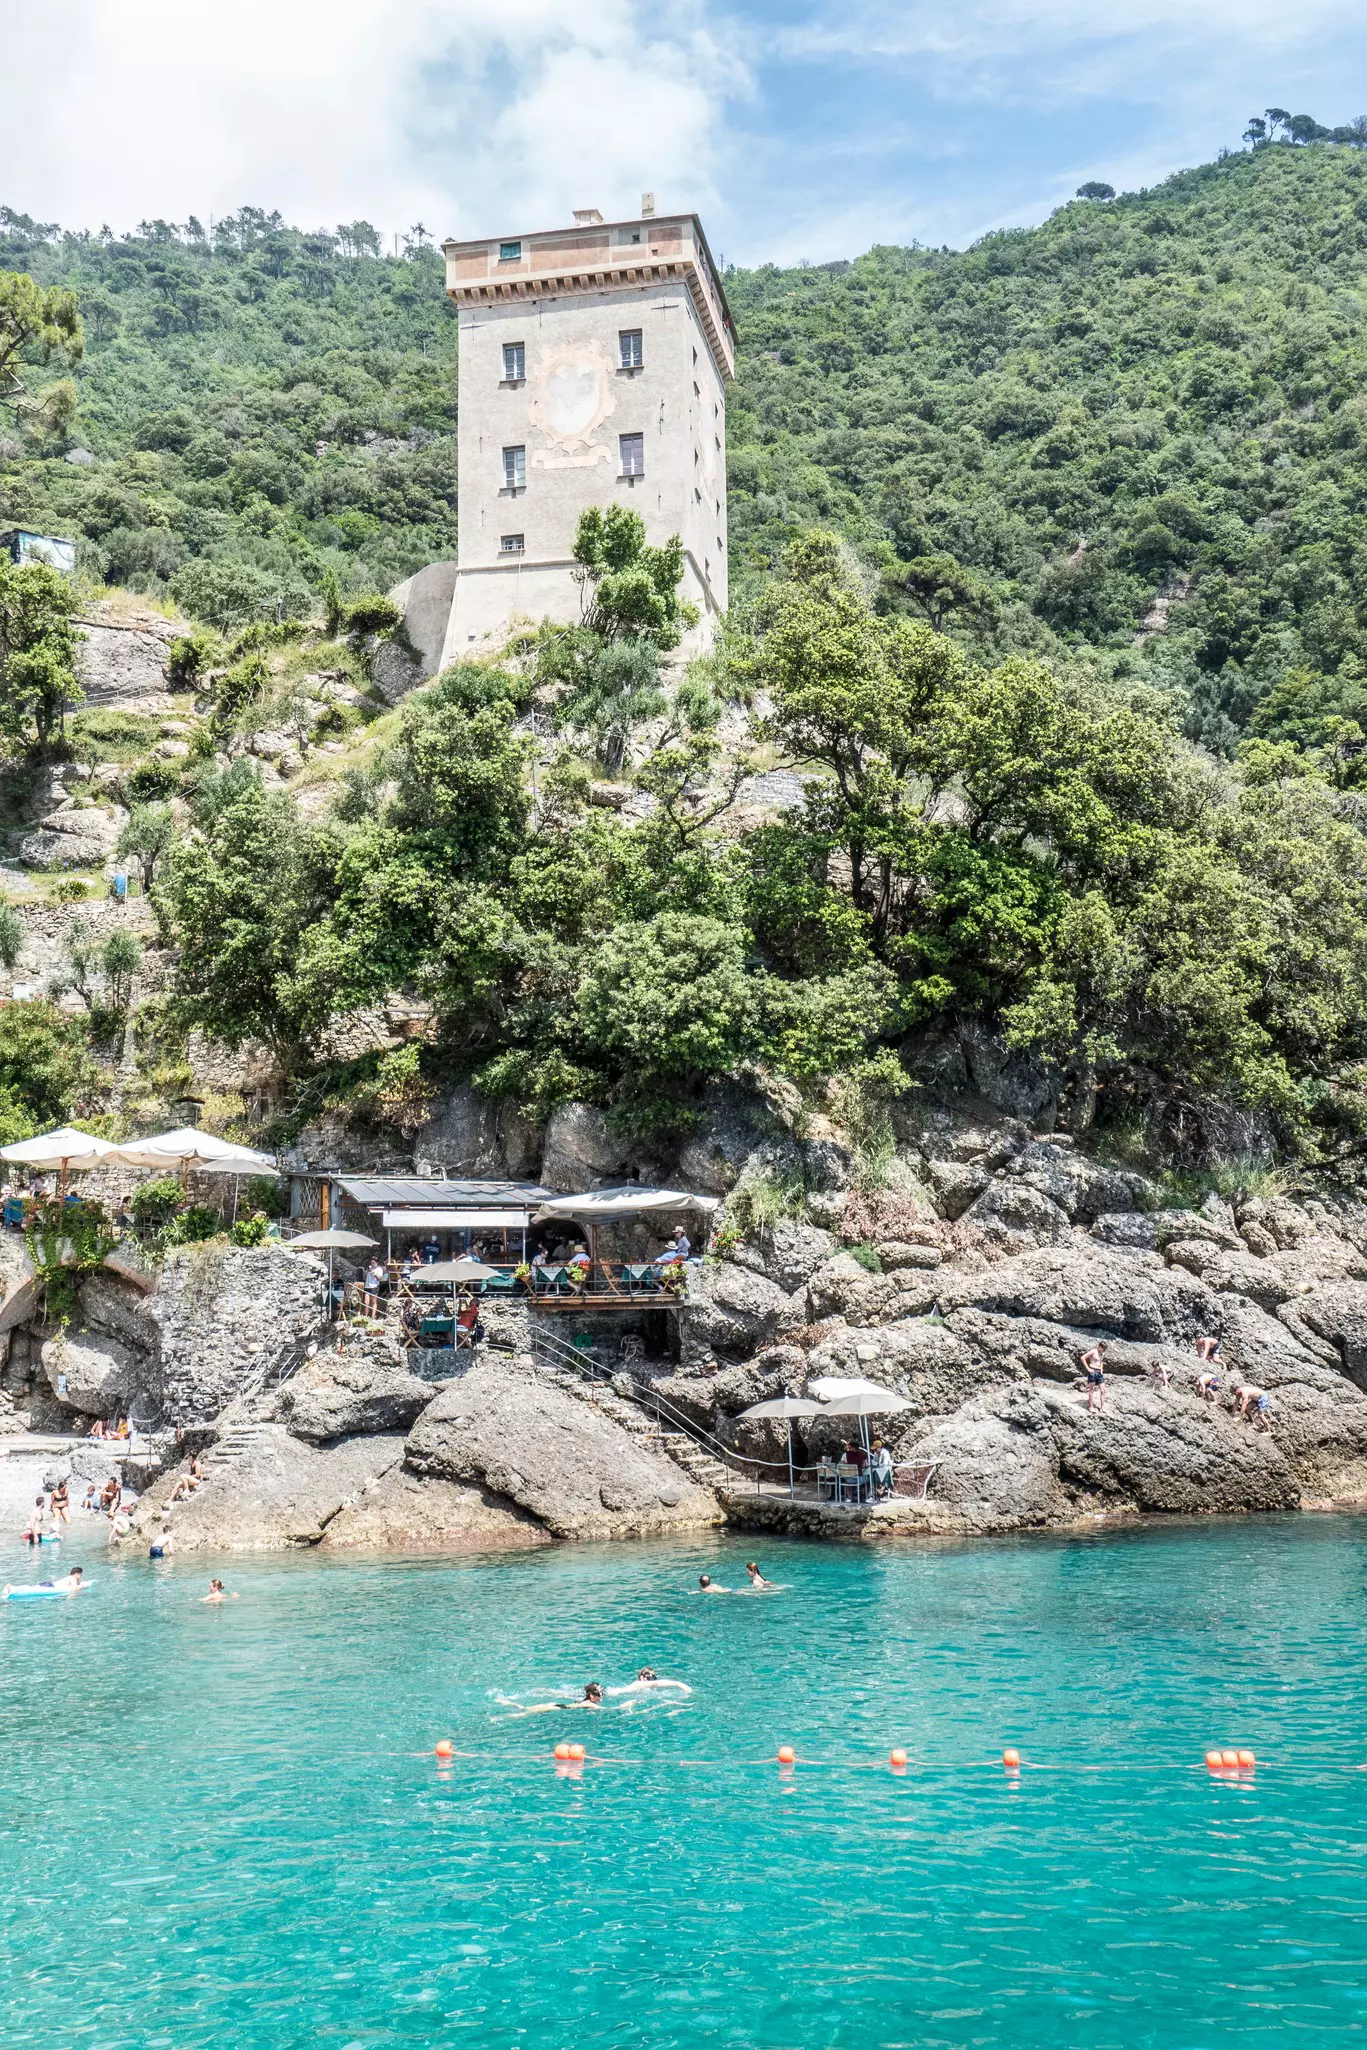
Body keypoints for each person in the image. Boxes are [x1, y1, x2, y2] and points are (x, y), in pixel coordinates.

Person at [1080, 1341, 1108, 1412]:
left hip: (1099, 1373)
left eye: (1105, 1349)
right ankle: (1091, 1407)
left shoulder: (1102, 1353)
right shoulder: (1093, 1351)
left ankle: (1102, 1408)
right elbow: (1082, 1358)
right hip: (1092, 1371)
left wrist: (1101, 1370)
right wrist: (1088, 1369)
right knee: (1091, 1390)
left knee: (1103, 1390)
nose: (1104, 1350)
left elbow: (1101, 1362)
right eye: (1103, 1348)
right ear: (1099, 1346)